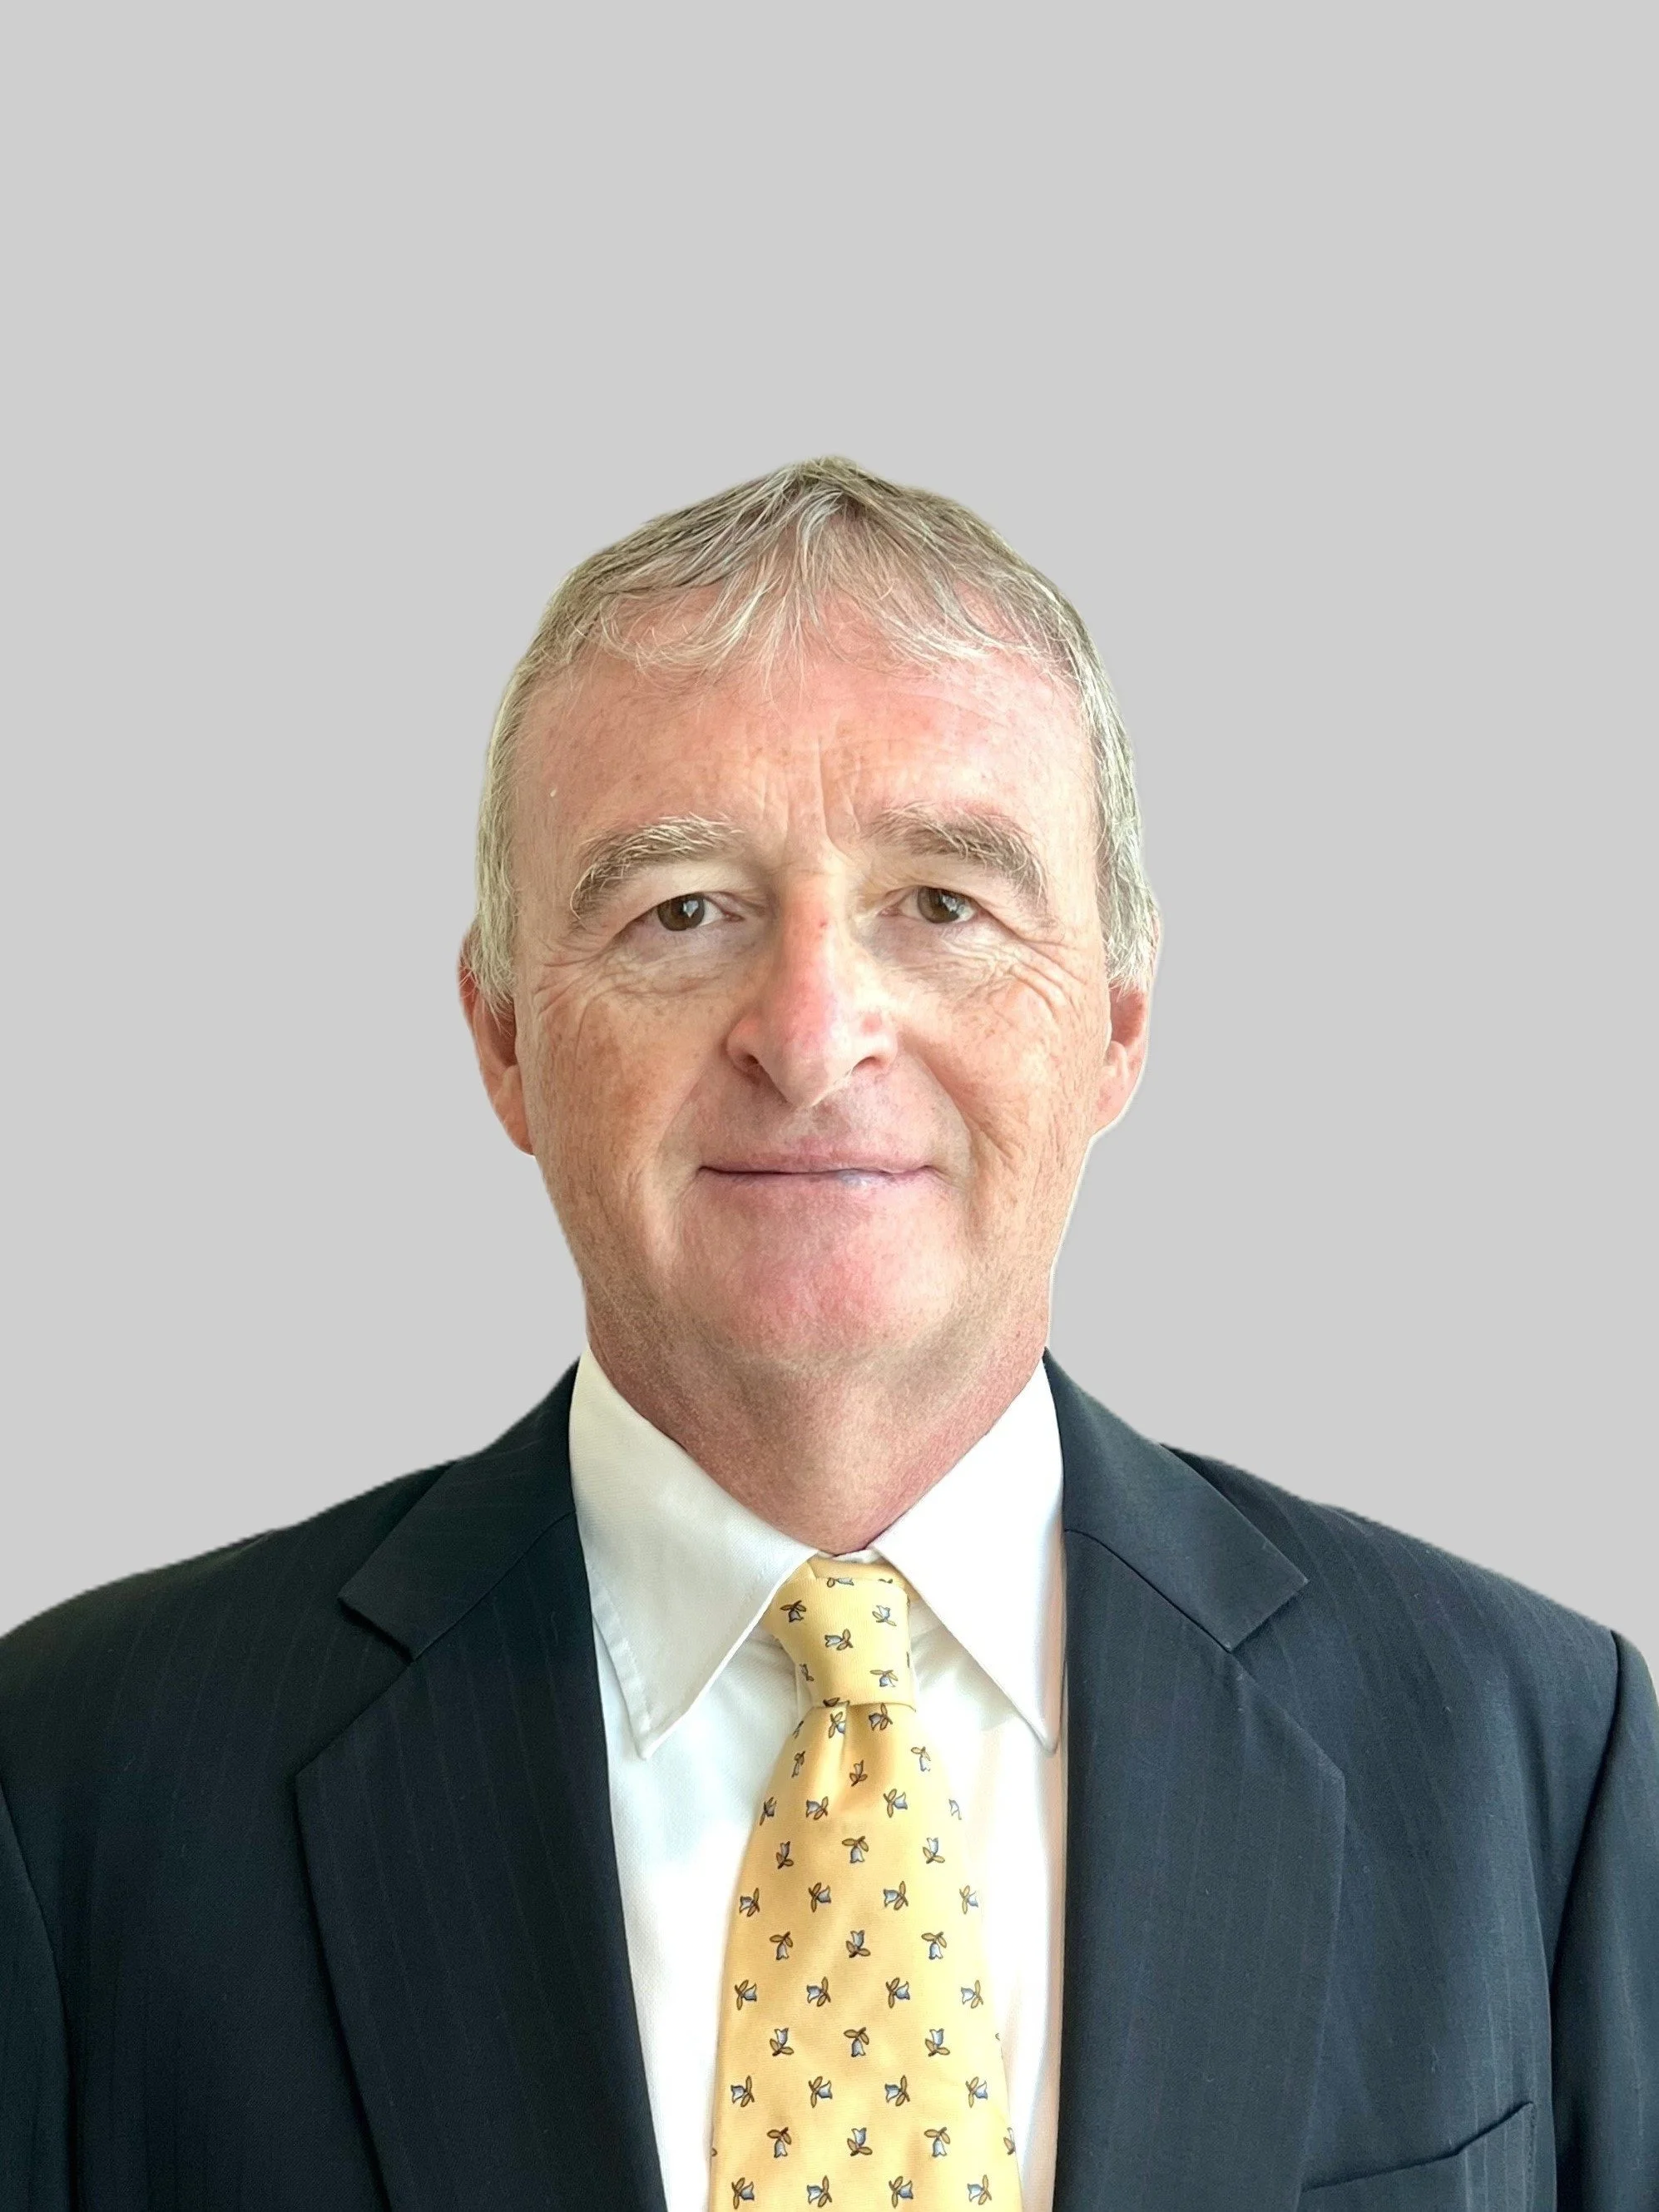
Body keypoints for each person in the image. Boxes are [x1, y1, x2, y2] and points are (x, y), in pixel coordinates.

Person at [1, 458, 1653, 2212]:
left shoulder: (1530, 1759)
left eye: (941, 904)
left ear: (1115, 1025)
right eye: (681, 909)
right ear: (503, 1038)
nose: (807, 1034)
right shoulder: (81, 1786)